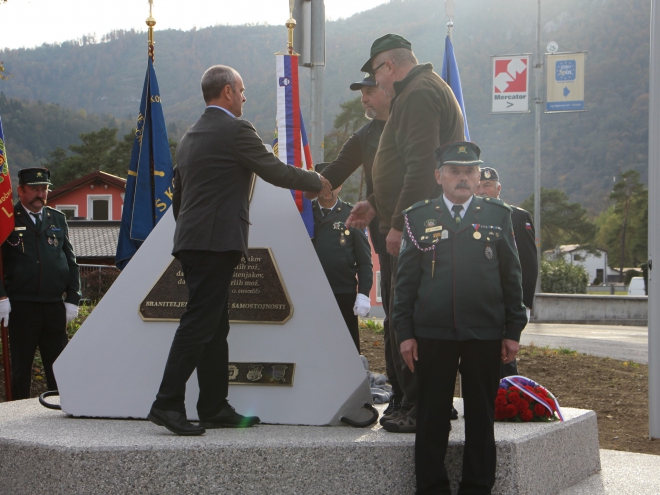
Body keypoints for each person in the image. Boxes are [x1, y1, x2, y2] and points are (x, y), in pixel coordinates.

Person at [148, 65, 331, 436]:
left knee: (215, 326)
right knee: (200, 322)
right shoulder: (235, 130)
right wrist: (317, 181)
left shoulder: (189, 137)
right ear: (228, 91)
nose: (245, 97)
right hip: (215, 243)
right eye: (243, 90)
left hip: (194, 242)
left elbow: (179, 199)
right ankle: (167, 403)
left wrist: (191, 236)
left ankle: (213, 406)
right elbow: (275, 171)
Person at [345, 33, 465, 432]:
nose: (376, 85)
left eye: (377, 75)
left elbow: (420, 166)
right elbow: (403, 167)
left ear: (389, 67)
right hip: (417, 222)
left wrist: (399, 223)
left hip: (419, 228)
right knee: (408, 312)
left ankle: (419, 405)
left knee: (408, 315)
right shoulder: (423, 90)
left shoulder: (415, 95)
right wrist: (376, 202)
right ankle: (416, 399)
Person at [393, 141, 527, 494]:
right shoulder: (418, 217)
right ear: (439, 176)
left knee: (482, 418)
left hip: (484, 333)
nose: (463, 178)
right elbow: (404, 284)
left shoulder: (498, 215)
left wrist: (513, 330)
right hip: (431, 336)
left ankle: (478, 487)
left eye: (470, 171)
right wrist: (404, 333)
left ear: (478, 175)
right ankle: (432, 488)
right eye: (455, 171)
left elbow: (512, 277)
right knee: (432, 416)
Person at [306, 74, 404, 415]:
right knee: (395, 317)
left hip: (417, 232)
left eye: (370, 91)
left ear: (388, 89)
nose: (364, 99)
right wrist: (288, 182)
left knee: (417, 318)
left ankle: (425, 396)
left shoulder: (410, 125)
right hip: (385, 237)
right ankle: (402, 395)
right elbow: (335, 171)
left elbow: (419, 173)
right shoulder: (364, 136)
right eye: (361, 94)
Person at [0, 167, 80, 400]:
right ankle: (17, 417)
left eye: (44, 189)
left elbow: (70, 261)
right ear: (20, 191)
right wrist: (1, 296)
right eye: (34, 189)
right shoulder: (6, 220)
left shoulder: (57, 218)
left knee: (58, 366)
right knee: (21, 368)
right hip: (22, 306)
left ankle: (59, 410)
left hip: (54, 306)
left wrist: (73, 298)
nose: (40, 194)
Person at [476, 167, 537, 377]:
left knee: (504, 360)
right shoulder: (467, 219)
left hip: (504, 301)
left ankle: (506, 403)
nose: (482, 191)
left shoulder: (516, 217)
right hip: (477, 303)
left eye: (488, 186)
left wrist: (525, 304)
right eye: (478, 187)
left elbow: (528, 264)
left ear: (498, 188)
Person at [312, 163, 373, 354]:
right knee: (314, 346)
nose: (329, 188)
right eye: (324, 183)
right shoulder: (305, 213)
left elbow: (364, 260)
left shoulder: (351, 214)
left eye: (335, 183)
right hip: (311, 293)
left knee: (347, 350)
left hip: (343, 292)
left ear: (341, 185)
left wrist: (363, 293)